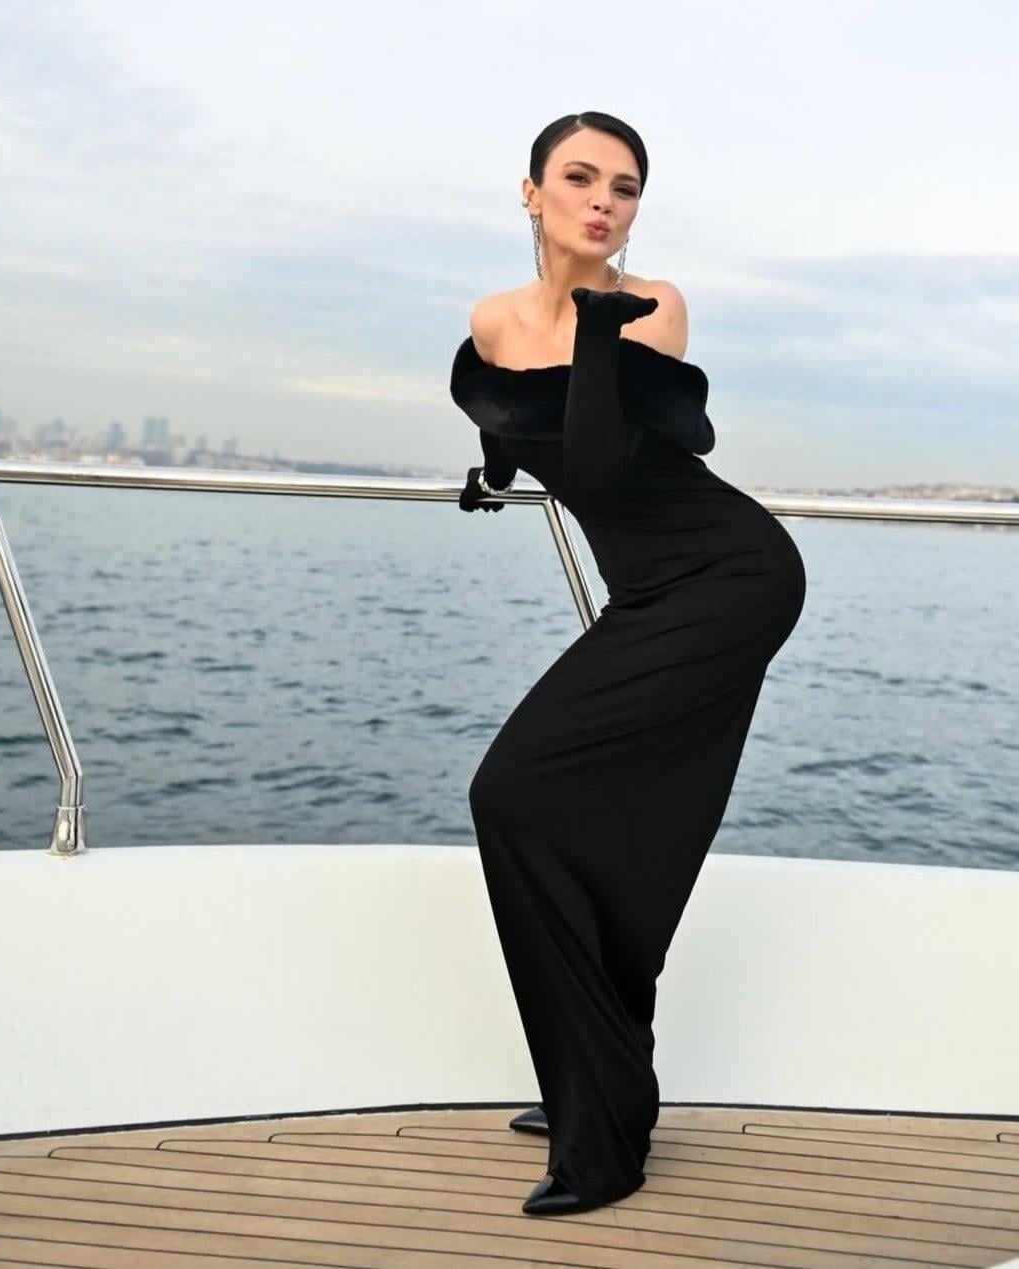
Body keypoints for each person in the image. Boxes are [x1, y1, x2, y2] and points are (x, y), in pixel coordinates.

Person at [450, 111, 806, 1217]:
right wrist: (495, 473)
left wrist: (601, 331)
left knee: (512, 791)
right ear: (532, 192)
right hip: (650, 594)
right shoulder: (494, 318)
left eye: (626, 186)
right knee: (610, 834)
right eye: (580, 177)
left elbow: (602, 454)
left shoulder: (653, 307)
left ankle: (603, 1141)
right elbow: (516, 415)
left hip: (730, 578)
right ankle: (599, 1082)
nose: (604, 201)